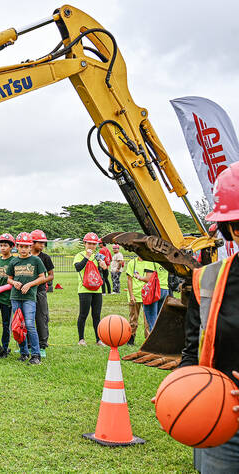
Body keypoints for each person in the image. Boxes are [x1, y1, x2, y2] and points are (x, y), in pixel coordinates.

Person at [179, 161, 239, 471]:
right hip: (221, 416)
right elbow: (192, 351)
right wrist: (180, 390)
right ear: (229, 230)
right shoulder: (207, 280)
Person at [6, 232, 48, 365]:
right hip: (15, 297)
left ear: (30, 247)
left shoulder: (36, 261)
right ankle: (24, 352)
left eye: (26, 246)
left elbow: (42, 277)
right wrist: (14, 283)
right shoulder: (14, 261)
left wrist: (30, 284)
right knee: (18, 326)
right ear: (17, 247)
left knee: (29, 324)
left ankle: (35, 354)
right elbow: (9, 279)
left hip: (29, 297)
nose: (23, 249)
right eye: (21, 246)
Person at [74, 232, 107, 346]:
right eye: (90, 243)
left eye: (94, 244)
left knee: (97, 315)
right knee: (83, 314)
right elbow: (78, 268)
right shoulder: (80, 255)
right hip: (84, 290)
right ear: (85, 243)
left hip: (97, 290)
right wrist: (87, 257)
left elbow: (104, 273)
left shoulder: (98, 256)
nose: (92, 246)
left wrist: (104, 266)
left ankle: (99, 339)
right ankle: (81, 339)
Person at [30, 229, 54, 358]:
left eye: (44, 243)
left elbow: (51, 276)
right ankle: (28, 345)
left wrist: (38, 281)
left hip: (40, 291)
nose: (43, 245)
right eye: (40, 243)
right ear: (32, 243)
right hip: (26, 292)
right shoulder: (26, 256)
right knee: (27, 319)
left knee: (41, 318)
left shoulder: (45, 257)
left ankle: (42, 345)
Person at [138, 260, 169, 336]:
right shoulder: (164, 260)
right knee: (160, 321)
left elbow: (148, 279)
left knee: (152, 322)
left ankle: (154, 343)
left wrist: (139, 277)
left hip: (155, 291)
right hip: (165, 290)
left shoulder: (150, 261)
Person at [125, 255, 150, 345]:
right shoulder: (132, 263)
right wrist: (131, 295)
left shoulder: (150, 262)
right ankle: (131, 339)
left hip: (147, 295)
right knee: (133, 319)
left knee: (148, 320)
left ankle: (148, 341)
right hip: (135, 295)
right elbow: (129, 279)